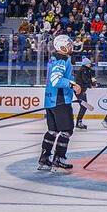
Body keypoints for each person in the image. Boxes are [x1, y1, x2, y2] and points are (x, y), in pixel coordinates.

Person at [39, 34, 80, 173]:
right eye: (68, 44)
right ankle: (59, 159)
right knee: (66, 130)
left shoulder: (53, 59)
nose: (71, 46)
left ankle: (44, 159)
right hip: (60, 100)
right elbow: (56, 80)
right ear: (61, 46)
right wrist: (72, 84)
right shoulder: (63, 59)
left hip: (50, 100)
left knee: (53, 130)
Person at [74, 56, 96, 130]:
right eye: (89, 63)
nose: (90, 64)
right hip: (79, 90)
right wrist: (91, 83)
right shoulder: (83, 69)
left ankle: (79, 122)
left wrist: (91, 84)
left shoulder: (87, 69)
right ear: (86, 64)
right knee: (84, 106)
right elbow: (85, 79)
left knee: (84, 106)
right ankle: (78, 123)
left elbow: (87, 80)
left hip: (81, 90)